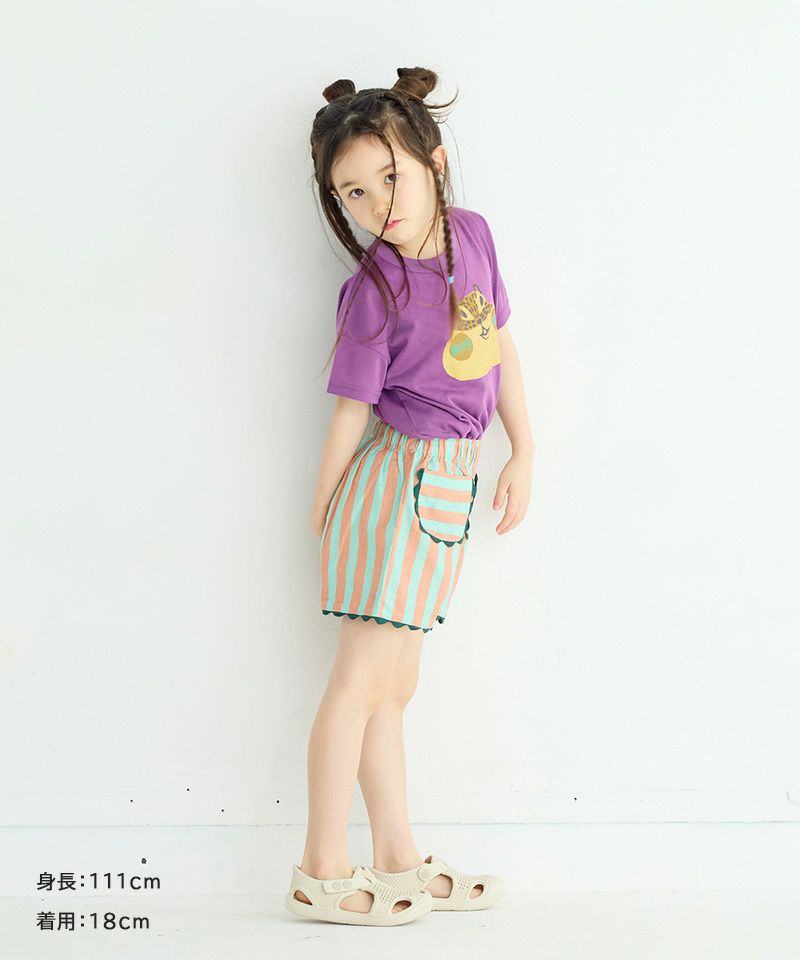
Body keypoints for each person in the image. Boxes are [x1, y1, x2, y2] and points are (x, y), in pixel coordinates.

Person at [285, 66, 534, 927]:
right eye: (352, 192)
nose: (375, 203)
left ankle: (396, 858)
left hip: (450, 482)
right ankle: (320, 868)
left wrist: (524, 447)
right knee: (359, 682)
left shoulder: (473, 238)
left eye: (388, 176)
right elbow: (352, 409)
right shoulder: (374, 288)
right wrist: (323, 504)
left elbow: (494, 343)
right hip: (395, 484)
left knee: (396, 687)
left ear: (433, 158)